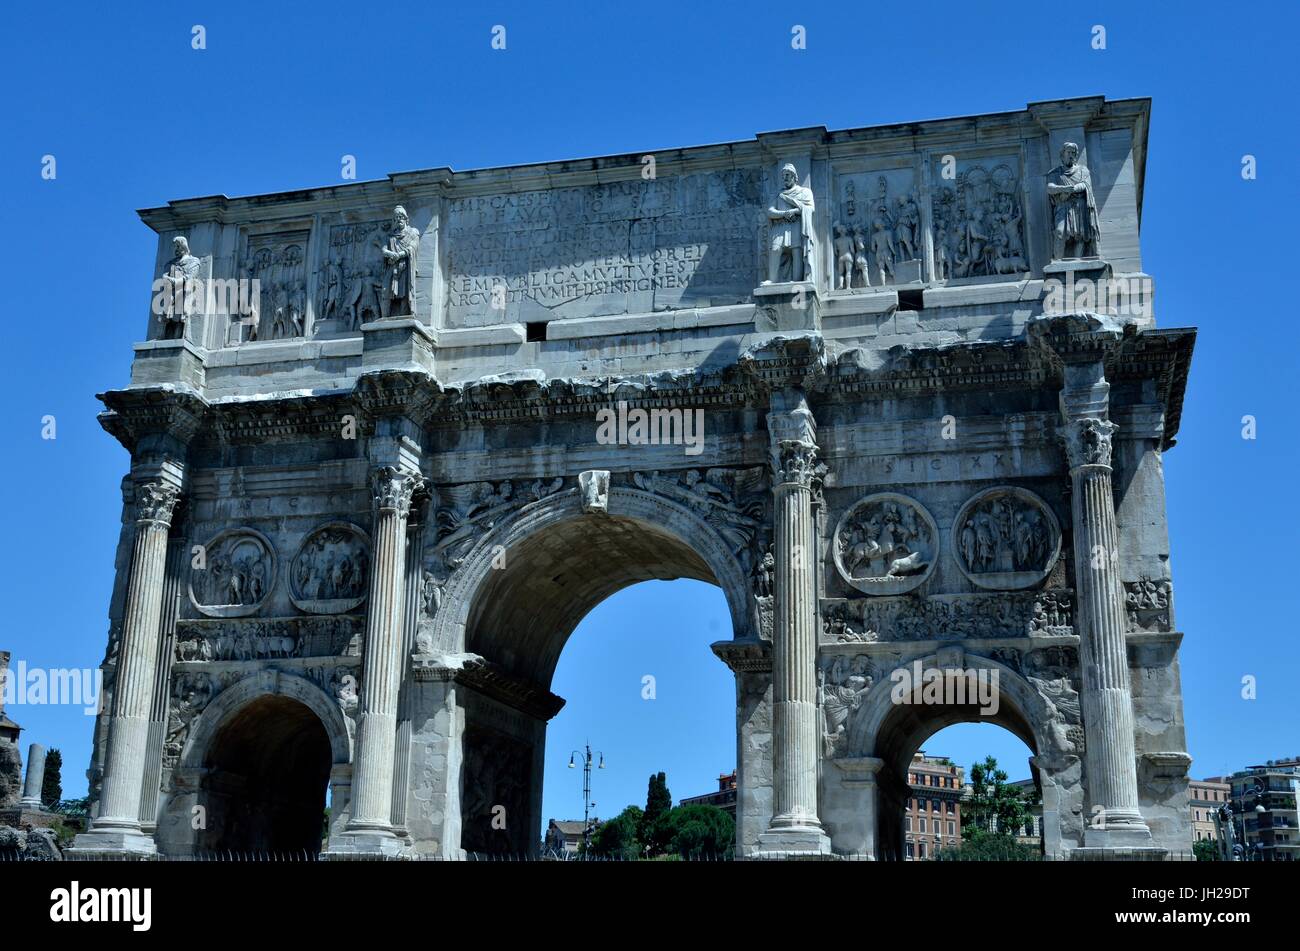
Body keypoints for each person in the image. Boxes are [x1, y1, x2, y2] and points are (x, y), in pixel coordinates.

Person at [1046, 142, 1100, 259]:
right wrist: (1064, 189)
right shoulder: (1055, 173)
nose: (1071, 155)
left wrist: (1073, 189)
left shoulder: (1083, 170)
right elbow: (1050, 188)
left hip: (1079, 206)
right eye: (1068, 152)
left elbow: (1086, 184)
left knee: (1079, 235)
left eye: (1073, 153)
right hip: (1062, 207)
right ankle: (1057, 262)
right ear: (1062, 155)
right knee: (1059, 232)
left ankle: (1078, 261)